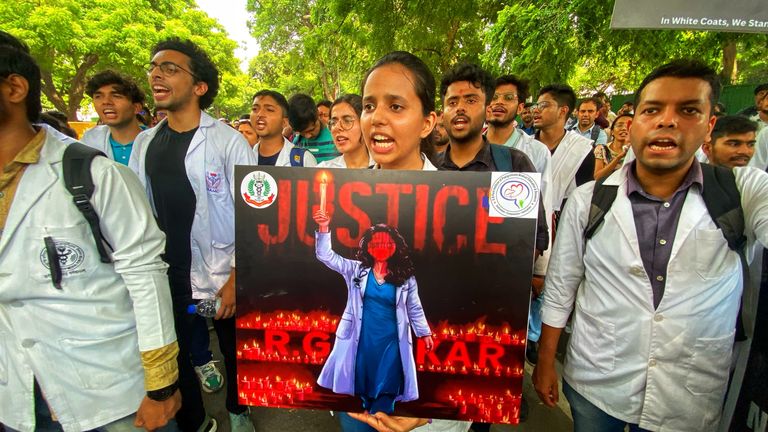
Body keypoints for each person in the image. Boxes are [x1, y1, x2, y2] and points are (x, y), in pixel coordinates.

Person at [533, 59, 768, 431]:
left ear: (708, 126)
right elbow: (562, 287)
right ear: (635, 123)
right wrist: (546, 362)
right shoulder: (590, 200)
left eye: (688, 110)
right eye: (653, 110)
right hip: (598, 382)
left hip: (689, 391)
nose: (668, 121)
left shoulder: (743, 191)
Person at [0, 31, 180, 431]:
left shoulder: (92, 173)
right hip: (14, 394)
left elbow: (145, 274)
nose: (105, 104)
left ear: (14, 88)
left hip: (105, 390)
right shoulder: (96, 140)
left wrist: (162, 384)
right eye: (98, 96)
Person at [130, 37, 257, 432]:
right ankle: (197, 419)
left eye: (170, 68)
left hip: (221, 279)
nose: (156, 74)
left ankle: (238, 411)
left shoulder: (228, 142)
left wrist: (237, 277)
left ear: (199, 86)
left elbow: (253, 218)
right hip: (169, 278)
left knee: (233, 348)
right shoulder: (145, 143)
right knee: (181, 348)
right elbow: (138, 214)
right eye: (154, 67)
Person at [342, 50, 471, 432]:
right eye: (368, 106)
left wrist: (431, 406)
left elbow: (469, 313)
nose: (376, 118)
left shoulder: (463, 206)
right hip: (358, 397)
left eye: (396, 106)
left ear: (428, 122)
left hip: (429, 409)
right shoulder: (339, 200)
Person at [435, 61, 551, 430]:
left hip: (492, 316)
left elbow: (534, 238)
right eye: (452, 101)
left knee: (479, 410)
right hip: (438, 312)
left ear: (485, 107)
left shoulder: (511, 165)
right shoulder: (429, 171)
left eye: (470, 99)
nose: (460, 108)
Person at [313, 217, 433, 415]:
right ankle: (368, 408)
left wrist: (424, 332)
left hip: (391, 340)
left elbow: (414, 307)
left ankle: (382, 411)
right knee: (364, 381)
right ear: (367, 247)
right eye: (376, 243)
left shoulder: (405, 277)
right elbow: (326, 255)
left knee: (388, 383)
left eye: (387, 243)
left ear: (396, 247)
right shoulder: (356, 270)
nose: (382, 247)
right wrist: (324, 227)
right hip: (362, 338)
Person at [82, 70, 147, 165]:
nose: (106, 102)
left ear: (136, 108)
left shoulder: (155, 142)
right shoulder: (89, 141)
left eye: (116, 96)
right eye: (98, 96)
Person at [251, 89, 317, 167]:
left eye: (269, 110)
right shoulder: (244, 156)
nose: (260, 114)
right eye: (255, 109)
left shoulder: (303, 159)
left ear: (284, 122)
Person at [319, 94, 373, 168]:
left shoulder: (383, 168)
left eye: (347, 121)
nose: (336, 127)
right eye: (333, 122)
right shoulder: (323, 171)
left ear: (364, 124)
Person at [288, 93, 339, 162]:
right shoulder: (297, 143)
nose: (308, 136)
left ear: (317, 114)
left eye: (311, 130)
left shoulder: (336, 137)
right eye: (302, 132)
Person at [593, 113, 632, 179]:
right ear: (612, 131)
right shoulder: (602, 149)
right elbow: (597, 177)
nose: (624, 128)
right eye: (620, 125)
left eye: (629, 126)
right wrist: (618, 158)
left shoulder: (638, 151)